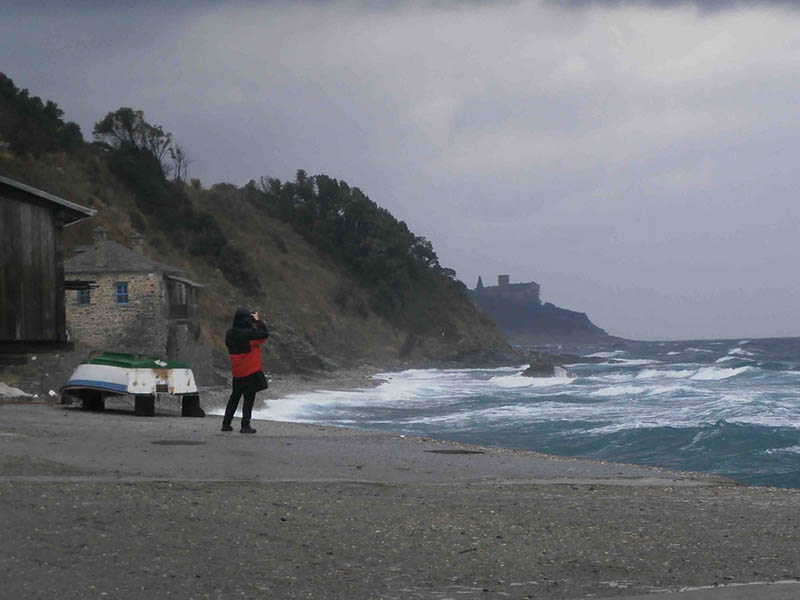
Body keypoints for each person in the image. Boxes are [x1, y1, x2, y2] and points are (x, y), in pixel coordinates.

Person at [222, 307, 269, 433]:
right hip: (250, 370)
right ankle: (245, 425)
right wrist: (258, 322)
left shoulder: (230, 333)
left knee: (234, 397)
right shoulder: (249, 334)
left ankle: (226, 423)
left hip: (237, 371)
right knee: (249, 398)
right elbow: (264, 335)